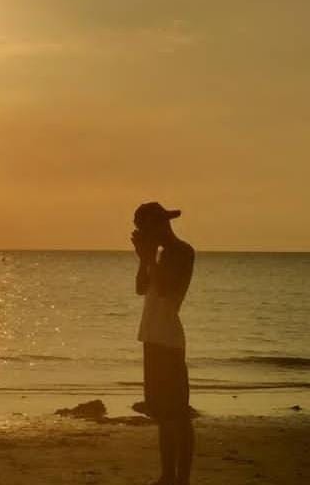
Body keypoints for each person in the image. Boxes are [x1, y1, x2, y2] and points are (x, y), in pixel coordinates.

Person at [132, 201, 195, 485]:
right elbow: (141, 288)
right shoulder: (158, 255)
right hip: (153, 338)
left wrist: (149, 258)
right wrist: (144, 259)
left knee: (178, 414)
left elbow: (167, 290)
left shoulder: (181, 252)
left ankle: (181, 478)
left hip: (168, 340)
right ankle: (168, 475)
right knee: (161, 412)